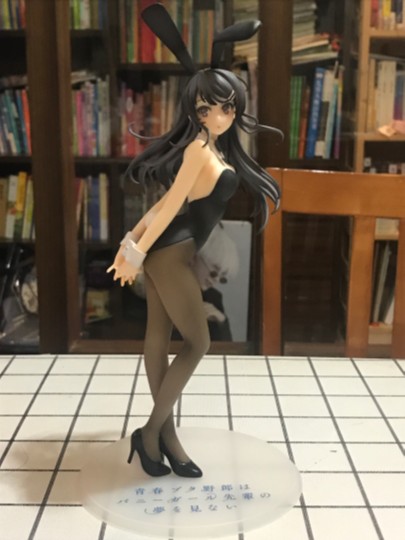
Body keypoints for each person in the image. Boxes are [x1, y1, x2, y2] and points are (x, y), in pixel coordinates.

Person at [107, 4, 281, 478]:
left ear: (236, 106)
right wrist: (135, 250)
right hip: (170, 254)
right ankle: (151, 433)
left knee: (159, 336)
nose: (217, 116)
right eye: (205, 109)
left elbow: (166, 205)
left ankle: (165, 439)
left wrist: (131, 241)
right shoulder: (198, 151)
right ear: (194, 111)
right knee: (198, 341)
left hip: (171, 249)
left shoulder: (212, 148)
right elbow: (168, 208)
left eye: (225, 107)